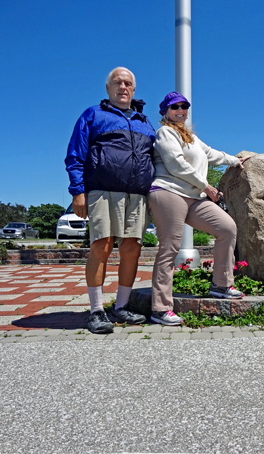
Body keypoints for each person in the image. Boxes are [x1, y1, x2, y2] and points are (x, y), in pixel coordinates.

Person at [147, 92, 251, 326]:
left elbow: (212, 154)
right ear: (166, 111)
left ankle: (221, 285)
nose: (180, 110)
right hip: (168, 192)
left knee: (226, 228)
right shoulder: (165, 133)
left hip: (193, 196)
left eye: (184, 106)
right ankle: (160, 309)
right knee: (169, 248)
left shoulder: (191, 137)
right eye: (175, 107)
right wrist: (207, 186)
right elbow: (176, 165)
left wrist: (235, 160)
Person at [65, 67, 155, 334]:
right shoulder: (93, 115)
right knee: (101, 247)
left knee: (132, 248)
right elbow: (75, 155)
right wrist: (77, 191)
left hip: (137, 195)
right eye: (117, 83)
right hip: (102, 191)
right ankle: (96, 311)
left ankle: (122, 307)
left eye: (128, 83)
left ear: (134, 89)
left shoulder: (145, 122)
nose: (123, 87)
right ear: (108, 88)